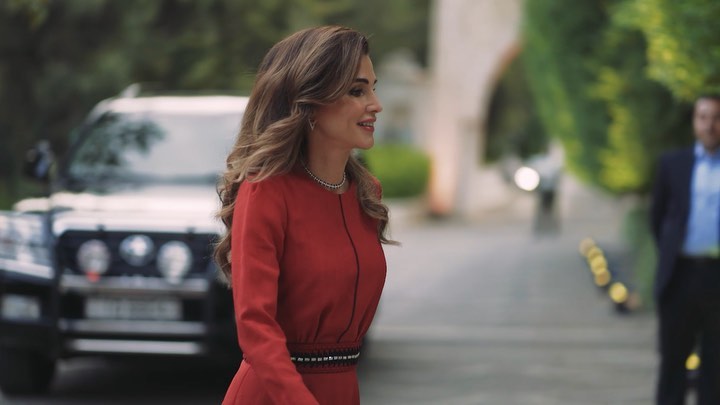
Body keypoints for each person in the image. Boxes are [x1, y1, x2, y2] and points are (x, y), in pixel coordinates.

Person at [213, 26, 392, 405]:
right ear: (310, 102)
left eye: (373, 89)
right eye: (357, 91)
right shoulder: (266, 191)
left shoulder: (367, 194)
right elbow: (256, 327)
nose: (375, 104)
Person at [650, 93, 720, 405]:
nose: (710, 125)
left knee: (716, 365)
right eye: (703, 117)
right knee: (673, 361)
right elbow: (658, 217)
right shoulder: (673, 164)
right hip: (680, 275)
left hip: (717, 277)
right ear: (694, 122)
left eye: (716, 118)